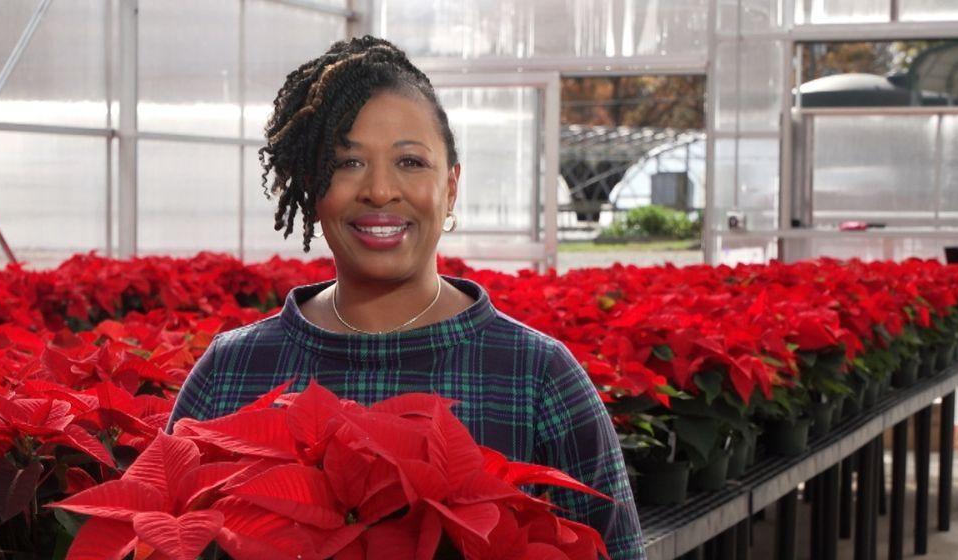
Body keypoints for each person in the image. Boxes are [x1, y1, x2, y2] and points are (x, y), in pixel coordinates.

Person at [168, 36, 645, 559]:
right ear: (311, 186)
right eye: (347, 163)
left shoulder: (537, 375)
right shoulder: (232, 369)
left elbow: (615, 548)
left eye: (411, 163)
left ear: (451, 187)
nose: (379, 190)